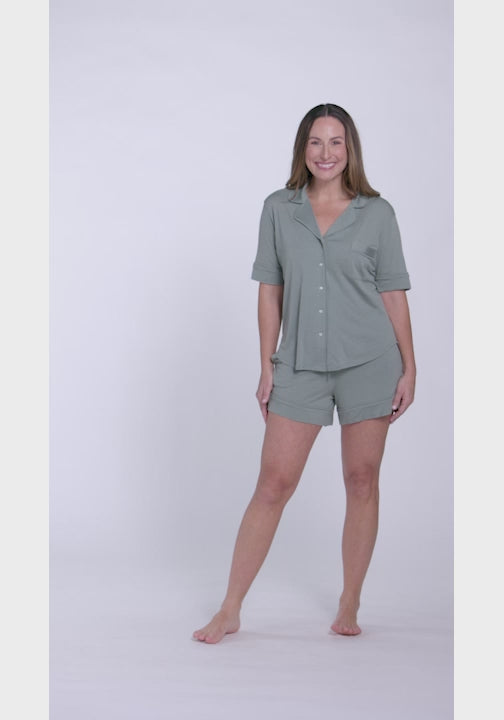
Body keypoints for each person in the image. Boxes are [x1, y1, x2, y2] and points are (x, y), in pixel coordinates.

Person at [193, 103, 415, 644]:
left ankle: (350, 599)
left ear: (350, 149)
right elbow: (270, 290)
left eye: (336, 142)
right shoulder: (278, 209)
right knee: (273, 484)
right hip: (298, 365)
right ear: (303, 149)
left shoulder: (378, 213)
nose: (326, 152)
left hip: (370, 362)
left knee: (362, 480)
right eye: (316, 142)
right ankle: (230, 609)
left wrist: (410, 367)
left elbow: (393, 292)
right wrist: (267, 365)